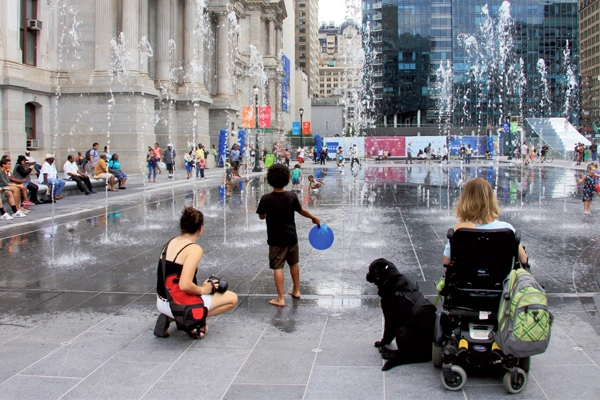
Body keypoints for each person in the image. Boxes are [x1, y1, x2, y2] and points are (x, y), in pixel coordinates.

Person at [154, 207, 238, 339]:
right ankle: (190, 319)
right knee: (232, 299)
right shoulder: (194, 249)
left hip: (162, 301)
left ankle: (171, 317)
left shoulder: (170, 243)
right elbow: (185, 285)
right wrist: (204, 289)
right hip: (178, 304)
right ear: (201, 228)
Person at [256, 164, 321, 307]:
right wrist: (313, 218)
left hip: (276, 240)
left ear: (269, 180)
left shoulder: (266, 199)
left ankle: (280, 298)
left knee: (277, 267)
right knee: (294, 263)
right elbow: (301, 211)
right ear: (287, 179)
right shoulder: (291, 195)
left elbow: (261, 216)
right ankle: (296, 290)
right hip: (292, 238)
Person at [442, 177, 528, 267]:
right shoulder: (506, 229)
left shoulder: (459, 230)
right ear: (491, 200)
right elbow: (524, 259)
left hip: (468, 278)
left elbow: (446, 261)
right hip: (500, 278)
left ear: (465, 201)